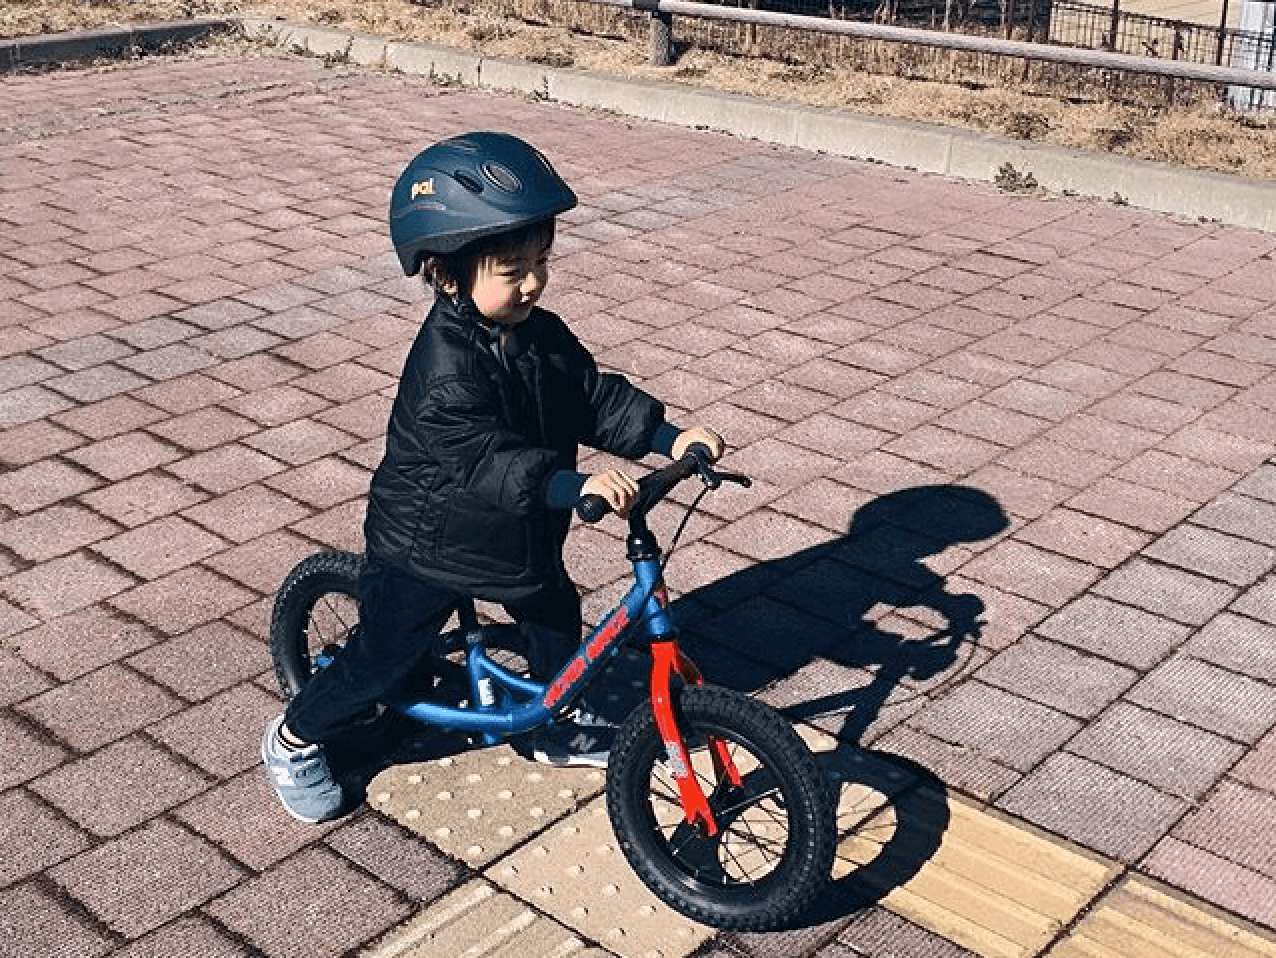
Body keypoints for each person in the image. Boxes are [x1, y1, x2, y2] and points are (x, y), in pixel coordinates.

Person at [262, 131, 725, 823]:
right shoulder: (445, 370)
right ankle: (294, 737)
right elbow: (486, 461)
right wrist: (575, 486)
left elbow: (590, 395)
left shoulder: (539, 332)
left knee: (554, 616)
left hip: (518, 534)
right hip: (428, 542)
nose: (533, 281)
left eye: (541, 260)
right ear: (447, 274)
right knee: (387, 661)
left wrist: (666, 436)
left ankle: (552, 725)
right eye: (513, 269)